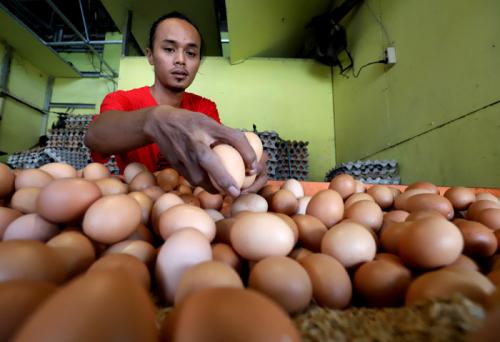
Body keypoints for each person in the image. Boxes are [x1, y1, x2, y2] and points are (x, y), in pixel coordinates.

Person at [84, 12, 267, 197]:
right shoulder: (123, 100)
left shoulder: (203, 108)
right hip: (136, 201)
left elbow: (220, 153)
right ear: (150, 55)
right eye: (169, 49)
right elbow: (95, 136)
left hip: (188, 203)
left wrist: (248, 162)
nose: (181, 60)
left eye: (191, 53)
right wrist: (154, 120)